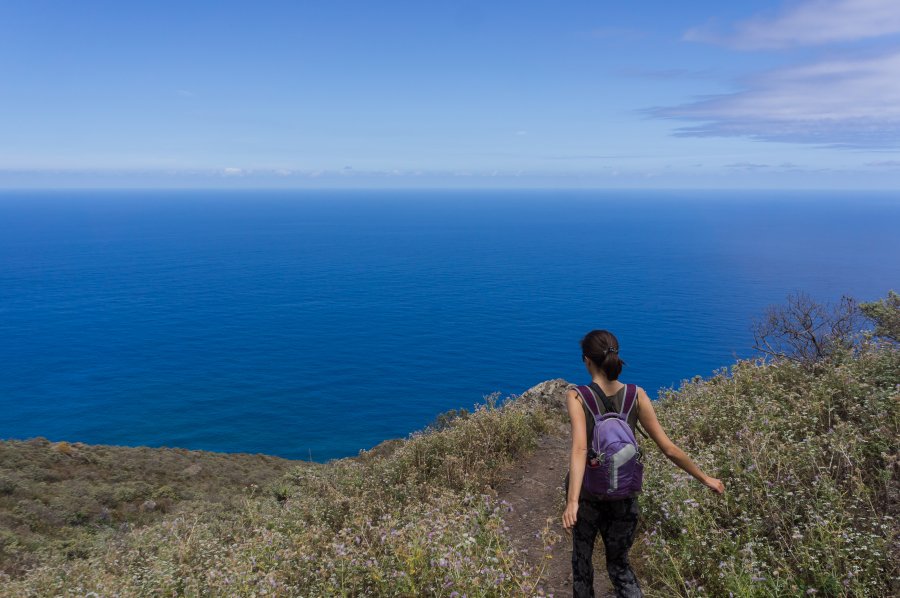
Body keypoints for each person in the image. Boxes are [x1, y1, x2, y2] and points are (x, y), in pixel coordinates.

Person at [562, 330, 725, 598]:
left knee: (583, 565)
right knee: (619, 565)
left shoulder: (578, 397)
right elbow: (669, 449)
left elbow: (580, 448)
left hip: (588, 498)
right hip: (625, 498)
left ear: (586, 360)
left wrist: (572, 502)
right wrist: (705, 478)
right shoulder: (636, 395)